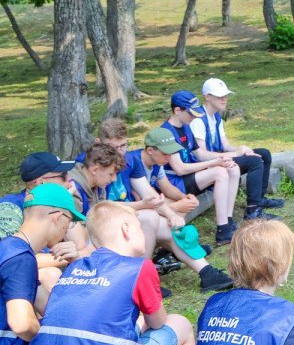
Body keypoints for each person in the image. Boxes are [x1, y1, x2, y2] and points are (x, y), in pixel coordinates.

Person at [28, 201, 196, 345]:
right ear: (126, 229)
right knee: (182, 324)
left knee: (128, 326)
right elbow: (158, 321)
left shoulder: (76, 267)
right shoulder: (140, 267)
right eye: (139, 227)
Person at [85, 122, 232, 292]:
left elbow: (149, 194)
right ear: (98, 144)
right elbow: (99, 209)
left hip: (122, 217)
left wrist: (171, 215)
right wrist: (145, 205)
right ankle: (143, 282)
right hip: (102, 227)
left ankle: (207, 273)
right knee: (149, 216)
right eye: (114, 146)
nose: (120, 151)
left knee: (169, 226)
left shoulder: (129, 160)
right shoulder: (91, 163)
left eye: (123, 145)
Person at [0, 184, 82, 345]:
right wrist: (49, 338)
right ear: (57, 217)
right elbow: (22, 324)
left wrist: (76, 264)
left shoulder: (9, 248)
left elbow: (51, 309)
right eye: (69, 220)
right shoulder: (20, 259)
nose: (68, 228)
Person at [192, 77, 285, 221]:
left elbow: (224, 145)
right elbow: (202, 155)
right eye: (219, 96)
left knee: (263, 154)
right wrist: (236, 153)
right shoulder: (198, 119)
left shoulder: (216, 116)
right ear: (207, 97)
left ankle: (259, 199)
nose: (224, 99)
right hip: (208, 166)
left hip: (220, 158)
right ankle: (253, 211)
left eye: (225, 95)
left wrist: (243, 149)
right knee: (254, 161)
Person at [162, 90, 243, 245]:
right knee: (219, 173)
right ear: (177, 110)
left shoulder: (186, 126)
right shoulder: (167, 132)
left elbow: (199, 153)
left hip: (189, 175)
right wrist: (214, 163)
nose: (193, 117)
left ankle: (228, 220)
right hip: (175, 181)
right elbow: (179, 169)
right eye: (190, 114)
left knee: (232, 168)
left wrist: (222, 158)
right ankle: (223, 230)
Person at [1, 154, 82, 277]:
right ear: (41, 182)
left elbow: (80, 244)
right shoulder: (9, 207)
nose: (70, 179)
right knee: (49, 274)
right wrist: (67, 258)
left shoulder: (54, 206)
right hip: (18, 279)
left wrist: (65, 203)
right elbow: (12, 257)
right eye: (63, 176)